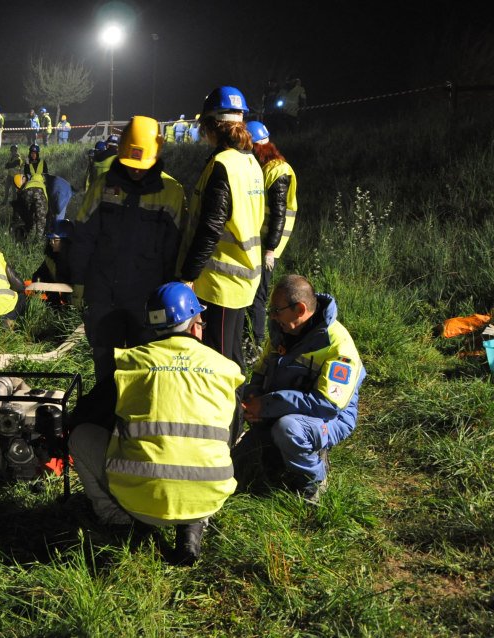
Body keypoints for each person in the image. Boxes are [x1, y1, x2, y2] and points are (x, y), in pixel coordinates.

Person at [68, 282, 242, 564]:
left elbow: (84, 414)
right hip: (208, 496)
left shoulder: (131, 363)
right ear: (195, 326)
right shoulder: (225, 368)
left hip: (140, 502)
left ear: (152, 328)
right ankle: (194, 525)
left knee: (80, 436)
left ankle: (118, 519)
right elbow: (233, 432)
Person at [69, 115, 187, 382]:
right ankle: (106, 406)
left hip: (147, 300)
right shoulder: (102, 187)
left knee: (145, 367)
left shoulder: (171, 192)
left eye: (141, 165)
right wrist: (78, 281)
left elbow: (175, 250)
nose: (135, 171)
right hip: (104, 295)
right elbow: (84, 236)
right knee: (104, 365)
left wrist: (173, 289)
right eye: (130, 164)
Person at [232, 274, 365, 503]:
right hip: (282, 406)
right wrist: (254, 396)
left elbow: (327, 405)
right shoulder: (282, 330)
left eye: (276, 310)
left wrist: (266, 405)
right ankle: (281, 454)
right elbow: (262, 370)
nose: (271, 316)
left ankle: (313, 480)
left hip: (330, 417)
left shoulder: (338, 346)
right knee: (238, 465)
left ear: (300, 309)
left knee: (288, 429)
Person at [178, 86, 265, 372]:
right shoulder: (250, 161)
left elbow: (211, 228)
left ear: (210, 125)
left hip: (222, 282)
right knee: (233, 354)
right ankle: (238, 401)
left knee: (220, 361)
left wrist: (188, 276)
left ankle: (229, 403)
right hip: (244, 274)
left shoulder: (222, 165)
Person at [245, 120, 299, 364]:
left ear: (255, 146)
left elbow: (279, 214)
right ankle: (251, 340)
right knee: (252, 293)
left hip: (266, 247)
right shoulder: (266, 167)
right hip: (257, 244)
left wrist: (270, 249)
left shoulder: (278, 171)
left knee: (258, 295)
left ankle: (256, 345)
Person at [30, 218, 74, 307]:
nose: (51, 242)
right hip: (57, 297)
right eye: (50, 239)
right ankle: (54, 304)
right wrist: (37, 283)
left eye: (55, 239)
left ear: (66, 241)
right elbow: (39, 274)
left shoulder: (77, 261)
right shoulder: (51, 257)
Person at [16, 144, 49, 239]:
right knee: (40, 216)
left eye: (34, 153)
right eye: (32, 153)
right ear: (30, 153)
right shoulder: (29, 163)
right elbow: (45, 177)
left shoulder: (41, 162)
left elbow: (25, 178)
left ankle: (28, 235)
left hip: (29, 190)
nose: (33, 155)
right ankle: (37, 239)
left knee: (30, 214)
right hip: (38, 190)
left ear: (37, 154)